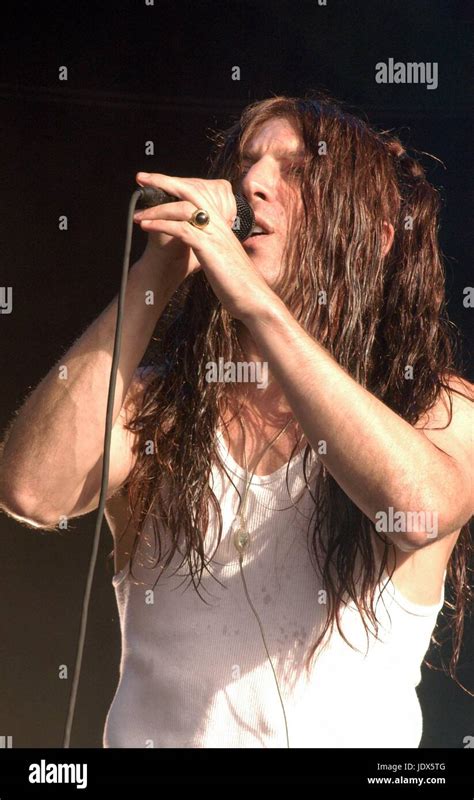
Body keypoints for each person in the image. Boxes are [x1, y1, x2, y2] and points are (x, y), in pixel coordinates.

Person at [0, 92, 472, 748]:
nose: (252, 183)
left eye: (298, 169)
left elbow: (418, 508)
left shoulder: (438, 411)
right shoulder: (159, 411)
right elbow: (32, 491)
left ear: (376, 237)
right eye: (247, 163)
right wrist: (160, 269)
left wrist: (254, 302)